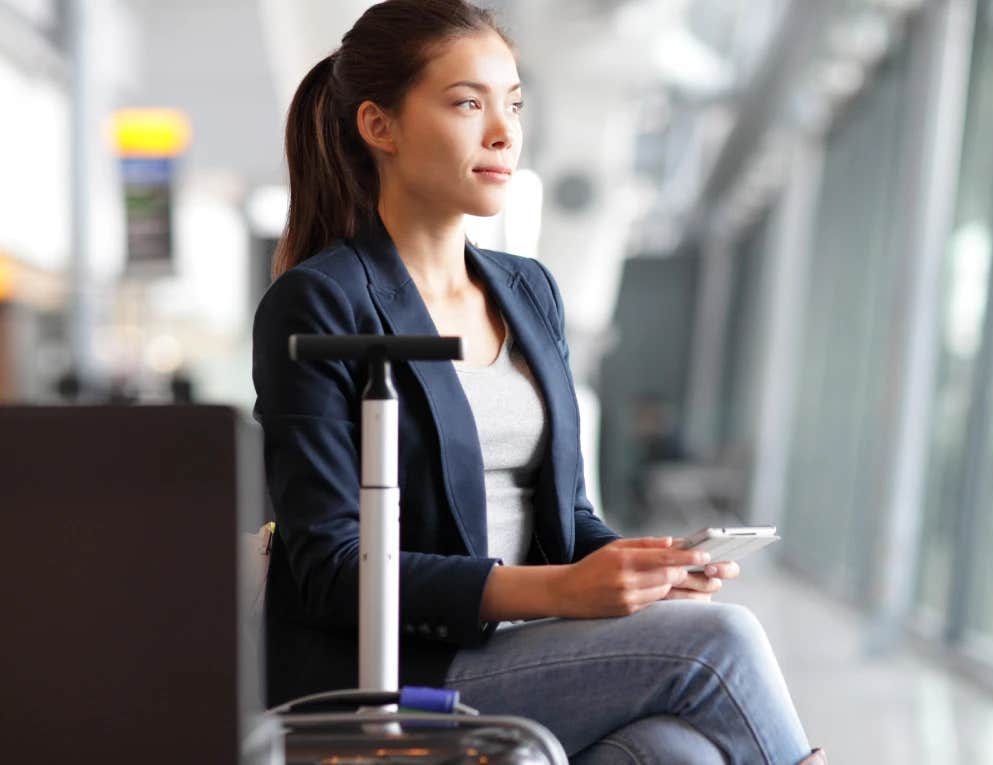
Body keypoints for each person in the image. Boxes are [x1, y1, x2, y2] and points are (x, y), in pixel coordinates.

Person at [251, 2, 825, 762]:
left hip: (528, 650)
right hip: (400, 669)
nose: (503, 132)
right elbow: (330, 568)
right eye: (467, 102)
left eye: (514, 103)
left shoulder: (529, 292)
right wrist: (562, 591)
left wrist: (642, 569)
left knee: (673, 752)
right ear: (378, 127)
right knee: (721, 640)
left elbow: (568, 514)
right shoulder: (322, 301)